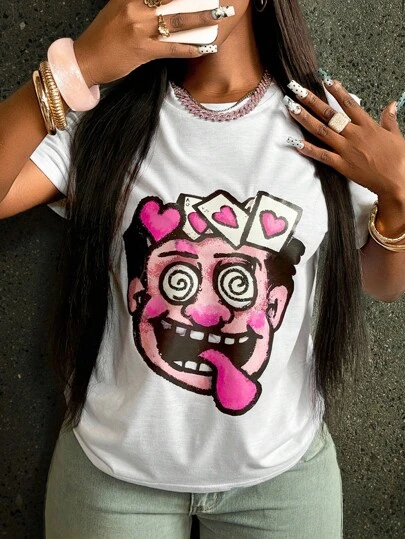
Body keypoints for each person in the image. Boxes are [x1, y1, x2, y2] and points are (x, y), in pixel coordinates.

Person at [0, 0, 404, 537]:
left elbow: (381, 283)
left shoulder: (321, 119)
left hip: (281, 477)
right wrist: (77, 67)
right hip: (113, 475)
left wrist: (399, 197)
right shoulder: (105, 119)